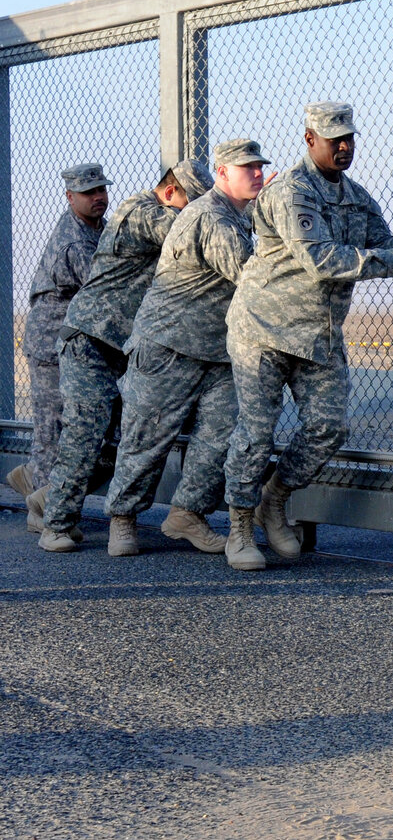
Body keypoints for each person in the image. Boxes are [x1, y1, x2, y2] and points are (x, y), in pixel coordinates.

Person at [222, 103, 393, 569]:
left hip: (318, 336)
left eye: (349, 138)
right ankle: (239, 527)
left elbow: (384, 243)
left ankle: (274, 500)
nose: (344, 146)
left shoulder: (357, 197)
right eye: (334, 138)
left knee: (329, 427)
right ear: (309, 139)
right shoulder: (291, 191)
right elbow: (322, 259)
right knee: (256, 433)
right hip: (264, 330)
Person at [99, 141, 268, 561]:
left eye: (259, 167)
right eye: (247, 168)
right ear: (223, 173)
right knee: (147, 436)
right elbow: (251, 276)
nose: (258, 174)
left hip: (216, 351)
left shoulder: (235, 214)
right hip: (168, 345)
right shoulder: (211, 217)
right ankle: (123, 518)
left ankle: (187, 514)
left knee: (222, 433)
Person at [35, 159, 214, 554]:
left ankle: (47, 498)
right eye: (195, 203)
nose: (200, 211)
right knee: (86, 432)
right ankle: (57, 525)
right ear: (171, 193)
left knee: (125, 441)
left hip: (123, 348)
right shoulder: (139, 211)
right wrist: (236, 208)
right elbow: (189, 229)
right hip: (89, 341)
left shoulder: (164, 216)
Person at [14, 163, 109, 531]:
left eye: (101, 189)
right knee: (52, 429)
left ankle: (35, 481)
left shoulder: (98, 228)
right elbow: (105, 292)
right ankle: (42, 511)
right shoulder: (75, 242)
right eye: (88, 193)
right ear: (70, 197)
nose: (98, 197)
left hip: (77, 341)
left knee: (78, 429)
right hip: (51, 345)